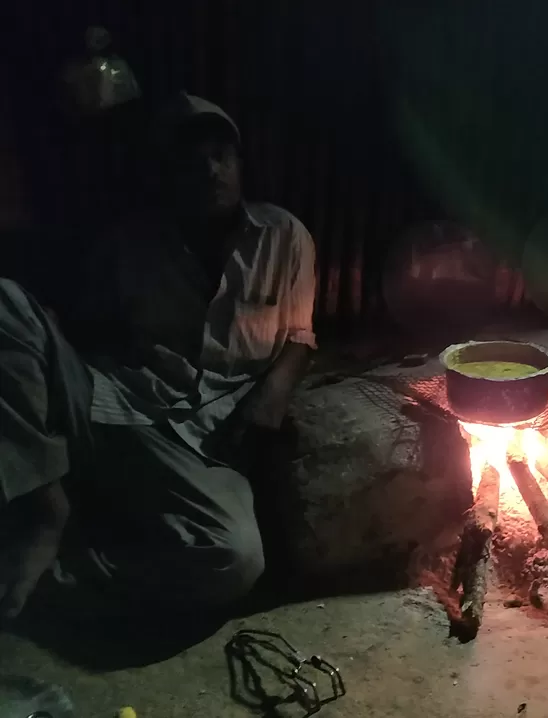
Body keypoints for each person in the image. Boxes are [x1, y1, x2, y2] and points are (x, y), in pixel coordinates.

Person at [0, 93, 317, 622]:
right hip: (108, 404)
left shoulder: (284, 236)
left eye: (221, 156)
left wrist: (272, 396)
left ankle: (65, 573)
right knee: (5, 303)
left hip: (200, 442)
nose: (211, 171)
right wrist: (51, 342)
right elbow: (88, 328)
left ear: (240, 164)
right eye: (192, 161)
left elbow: (301, 335)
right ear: (165, 174)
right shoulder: (128, 242)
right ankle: (46, 506)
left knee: (234, 560)